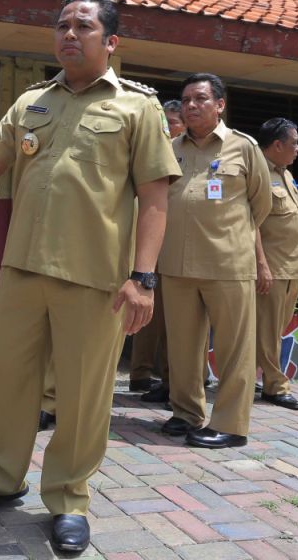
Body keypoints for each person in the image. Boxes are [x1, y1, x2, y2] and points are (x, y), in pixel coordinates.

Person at [0, 0, 179, 555]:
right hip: (23, 268)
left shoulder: (138, 108)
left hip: (94, 276)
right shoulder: (31, 101)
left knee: (84, 393)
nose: (69, 34)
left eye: (82, 26)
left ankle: (68, 498)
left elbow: (155, 198)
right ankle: (0, 479)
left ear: (110, 42)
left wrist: (144, 278)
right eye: (62, 25)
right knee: (9, 384)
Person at [159, 73, 271, 449]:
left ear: (220, 104)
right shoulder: (170, 147)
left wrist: (237, 240)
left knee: (233, 348)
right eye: (186, 99)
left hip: (227, 263)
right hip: (176, 263)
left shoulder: (244, 147)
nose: (191, 105)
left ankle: (230, 424)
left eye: (200, 99)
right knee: (182, 346)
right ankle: (186, 412)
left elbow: (261, 203)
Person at [255, 117, 298, 410]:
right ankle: (275, 386)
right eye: (294, 143)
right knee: (268, 331)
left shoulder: (284, 174)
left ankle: (259, 379)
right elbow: (250, 222)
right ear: (277, 144)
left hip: (292, 265)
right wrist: (261, 265)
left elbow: (283, 219)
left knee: (275, 330)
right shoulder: (257, 172)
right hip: (272, 267)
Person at [129, 99, 185, 395]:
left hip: (175, 243)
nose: (168, 127)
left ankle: (165, 376)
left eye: (173, 122)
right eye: (165, 122)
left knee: (166, 317)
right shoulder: (150, 150)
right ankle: (141, 372)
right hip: (149, 245)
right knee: (149, 317)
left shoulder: (184, 152)